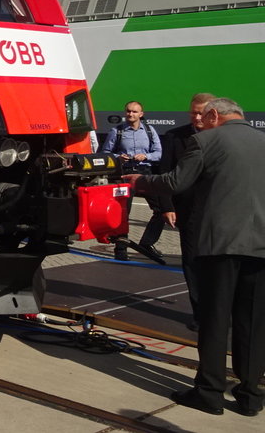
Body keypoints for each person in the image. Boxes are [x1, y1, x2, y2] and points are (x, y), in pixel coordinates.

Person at [125, 97, 265, 417]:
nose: (200, 121)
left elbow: (177, 182)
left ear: (215, 114)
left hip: (220, 244)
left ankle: (210, 392)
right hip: (261, 246)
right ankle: (251, 395)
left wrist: (140, 182)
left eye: (205, 116)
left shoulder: (205, 140)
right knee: (254, 322)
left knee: (215, 319)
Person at [159, 93, 216, 331]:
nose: (197, 117)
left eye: (201, 112)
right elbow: (164, 173)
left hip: (220, 211)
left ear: (212, 113)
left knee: (217, 264)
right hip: (189, 210)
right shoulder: (175, 137)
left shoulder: (222, 137)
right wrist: (167, 207)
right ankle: (200, 314)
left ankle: (222, 312)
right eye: (193, 112)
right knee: (192, 262)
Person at [101, 100, 163, 260]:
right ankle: (121, 249)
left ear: (141, 114)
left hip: (145, 173)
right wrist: (117, 157)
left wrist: (146, 156)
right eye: (128, 111)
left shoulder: (149, 131)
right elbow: (106, 152)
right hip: (125, 174)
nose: (131, 114)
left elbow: (158, 153)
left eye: (135, 112)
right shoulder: (117, 131)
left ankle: (147, 243)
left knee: (161, 210)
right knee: (122, 213)